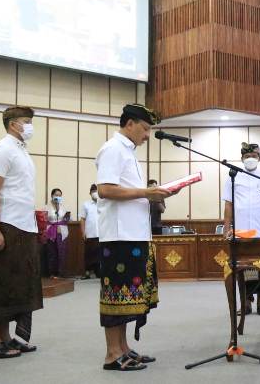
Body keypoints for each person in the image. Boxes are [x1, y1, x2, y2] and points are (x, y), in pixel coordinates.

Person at [95, 104, 176, 371]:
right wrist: (146, 193)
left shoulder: (127, 152)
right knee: (116, 295)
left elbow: (129, 190)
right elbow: (105, 190)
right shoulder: (113, 149)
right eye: (144, 129)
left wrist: (152, 192)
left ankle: (124, 349)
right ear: (130, 124)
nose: (147, 135)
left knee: (128, 296)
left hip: (133, 234)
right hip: (119, 236)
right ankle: (112, 354)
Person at [0, 106, 42, 359]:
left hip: (25, 226)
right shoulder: (2, 149)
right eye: (27, 121)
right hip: (6, 225)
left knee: (16, 284)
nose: (30, 126)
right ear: (13, 124)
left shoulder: (21, 150)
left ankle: (6, 339)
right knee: (0, 282)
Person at [222, 142, 260, 316]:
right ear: (241, 159)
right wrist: (226, 226)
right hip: (241, 231)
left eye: (254, 156)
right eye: (247, 157)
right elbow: (228, 204)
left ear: (259, 158)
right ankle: (246, 304)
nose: (250, 159)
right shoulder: (233, 177)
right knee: (243, 268)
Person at [44, 188, 70, 278]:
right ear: (52, 196)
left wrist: (64, 221)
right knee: (52, 252)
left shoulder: (63, 206)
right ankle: (52, 273)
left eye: (60, 195)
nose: (58, 197)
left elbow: (66, 218)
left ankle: (61, 273)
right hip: (51, 231)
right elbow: (45, 220)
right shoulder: (46, 207)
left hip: (61, 231)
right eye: (56, 195)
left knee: (61, 251)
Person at [80, 184, 100, 279]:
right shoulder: (86, 204)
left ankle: (98, 272)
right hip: (90, 233)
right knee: (89, 254)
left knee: (99, 254)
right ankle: (87, 272)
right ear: (90, 193)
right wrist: (83, 232)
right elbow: (82, 219)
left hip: (101, 234)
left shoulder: (103, 203)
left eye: (96, 191)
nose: (94, 193)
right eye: (93, 191)